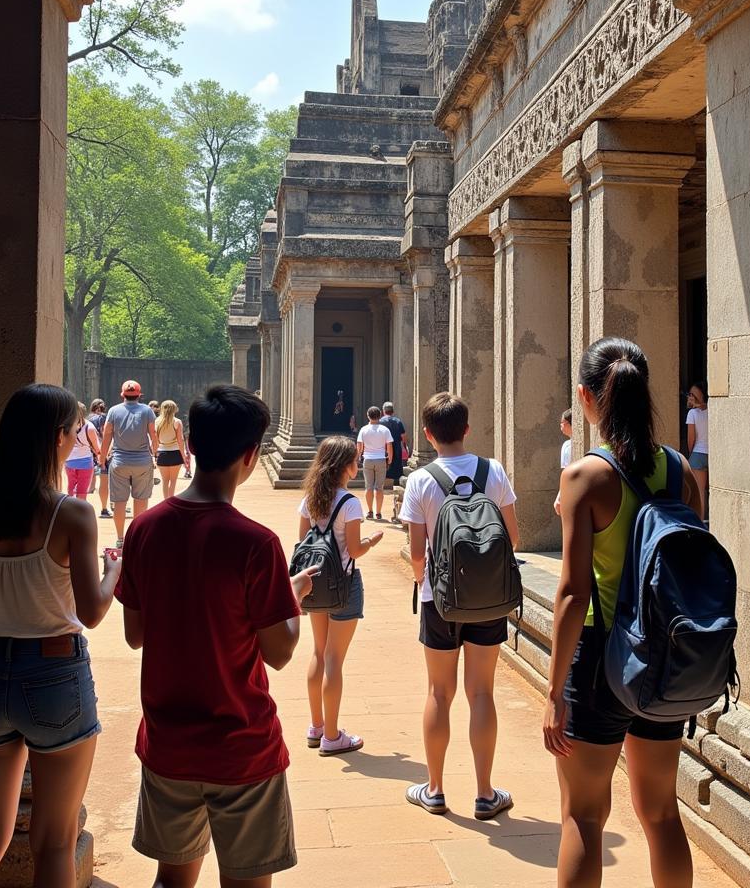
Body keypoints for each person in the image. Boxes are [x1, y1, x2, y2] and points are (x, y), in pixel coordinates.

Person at [115, 385, 318, 888]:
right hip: (241, 747)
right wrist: (291, 597)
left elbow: (135, 635)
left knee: (171, 878)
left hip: (168, 744)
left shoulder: (145, 530)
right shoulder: (256, 543)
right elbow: (279, 651)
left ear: (193, 445)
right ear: (250, 456)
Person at [0, 383, 121, 888]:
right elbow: (93, 611)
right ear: (58, 438)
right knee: (54, 842)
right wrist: (114, 573)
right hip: (56, 674)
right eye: (75, 430)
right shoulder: (72, 514)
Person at [543, 337, 699, 888]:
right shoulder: (679, 470)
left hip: (599, 658)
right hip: (663, 657)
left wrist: (554, 688)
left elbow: (572, 594)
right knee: (660, 812)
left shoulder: (586, 476)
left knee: (584, 814)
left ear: (585, 397)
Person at [399, 392, 520, 820]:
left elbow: (417, 553)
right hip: (488, 599)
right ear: (467, 429)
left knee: (439, 692)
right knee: (482, 692)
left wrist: (424, 582)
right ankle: (485, 793)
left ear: (429, 435)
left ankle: (434, 789)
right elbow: (514, 539)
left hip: (440, 600)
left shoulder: (420, 480)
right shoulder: (494, 472)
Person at [298, 436, 383, 756]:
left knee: (319, 654)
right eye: (354, 459)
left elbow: (303, 544)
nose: (357, 464)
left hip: (315, 581)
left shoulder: (309, 500)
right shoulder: (349, 503)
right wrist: (372, 541)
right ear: (344, 466)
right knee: (334, 659)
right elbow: (355, 550)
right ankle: (332, 736)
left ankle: (316, 725)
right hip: (345, 583)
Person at [98, 380, 158, 550]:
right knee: (140, 501)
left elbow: (107, 434)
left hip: (119, 462)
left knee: (119, 502)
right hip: (142, 462)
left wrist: (102, 458)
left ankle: (120, 539)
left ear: (122, 394)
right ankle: (136, 538)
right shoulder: (147, 411)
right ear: (139, 395)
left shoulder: (113, 411)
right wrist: (155, 454)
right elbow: (153, 435)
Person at [356, 406, 393, 520]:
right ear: (380, 415)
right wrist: (390, 458)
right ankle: (378, 512)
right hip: (381, 459)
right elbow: (389, 445)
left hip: (367, 459)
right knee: (379, 488)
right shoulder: (384, 430)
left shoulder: (364, 429)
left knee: (369, 487)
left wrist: (359, 456)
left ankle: (370, 511)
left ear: (368, 416)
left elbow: (359, 445)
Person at [65, 401, 100, 501]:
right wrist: (101, 458)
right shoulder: (90, 427)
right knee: (82, 490)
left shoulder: (66, 425)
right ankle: (79, 511)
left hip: (69, 461)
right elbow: (97, 448)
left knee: (71, 488)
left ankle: (69, 509)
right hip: (85, 462)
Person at [155, 399, 189, 499]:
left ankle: (165, 502)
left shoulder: (156, 421)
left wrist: (155, 454)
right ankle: (171, 501)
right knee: (173, 481)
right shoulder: (177, 422)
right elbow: (180, 440)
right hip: (175, 453)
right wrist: (184, 456)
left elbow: (155, 440)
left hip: (162, 453)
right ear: (174, 409)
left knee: (165, 481)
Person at [686, 381, 709, 521]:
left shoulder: (692, 414)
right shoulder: (713, 409)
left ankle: (700, 520)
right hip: (713, 453)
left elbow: (691, 439)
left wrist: (690, 453)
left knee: (700, 491)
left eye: (690, 394)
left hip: (698, 453)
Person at [87, 399, 111, 516]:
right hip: (106, 452)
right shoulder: (106, 418)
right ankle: (107, 507)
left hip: (91, 451)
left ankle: (90, 489)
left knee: (92, 474)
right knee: (106, 481)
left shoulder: (88, 419)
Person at [380, 401, 408, 488]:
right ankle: (396, 483)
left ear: (383, 411)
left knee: (385, 466)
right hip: (396, 447)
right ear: (393, 411)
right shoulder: (398, 421)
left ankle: (384, 483)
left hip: (384, 449)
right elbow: (403, 436)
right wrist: (404, 445)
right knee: (396, 466)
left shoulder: (380, 422)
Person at [553, 409, 573, 517]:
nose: (561, 426)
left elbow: (565, 473)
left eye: (562, 423)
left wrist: (559, 497)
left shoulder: (567, 446)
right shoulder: (567, 445)